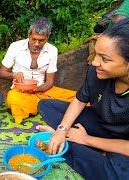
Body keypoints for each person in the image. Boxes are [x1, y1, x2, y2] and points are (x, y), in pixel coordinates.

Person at [37, 18, 129, 180]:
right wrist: (61, 130)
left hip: (123, 142)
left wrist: (86, 139)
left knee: (118, 175)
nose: (94, 62)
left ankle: (73, 145)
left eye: (105, 59)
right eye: (96, 55)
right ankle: (72, 144)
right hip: (101, 124)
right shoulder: (96, 71)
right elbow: (79, 100)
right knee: (46, 106)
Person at [0, 17, 76, 124]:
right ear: (29, 35)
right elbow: (1, 72)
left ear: (47, 37)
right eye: (34, 39)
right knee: (13, 100)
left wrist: (36, 90)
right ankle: (45, 105)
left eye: (41, 40)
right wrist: (14, 75)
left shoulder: (52, 50)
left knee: (75, 97)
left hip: (42, 90)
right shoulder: (15, 47)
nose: (36, 44)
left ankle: (40, 104)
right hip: (20, 92)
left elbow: (49, 82)